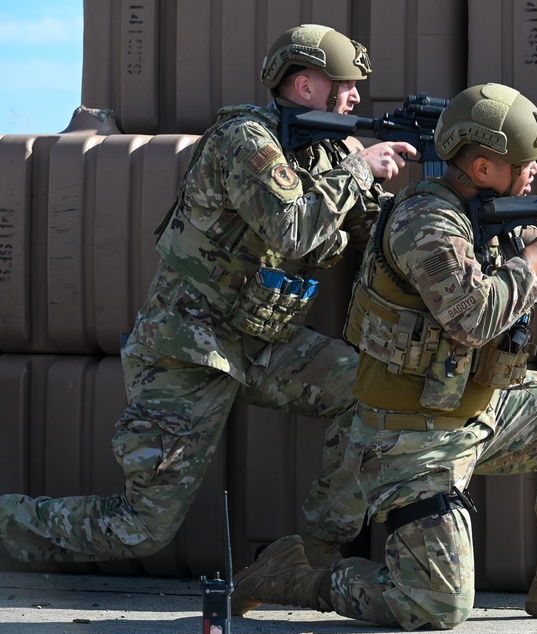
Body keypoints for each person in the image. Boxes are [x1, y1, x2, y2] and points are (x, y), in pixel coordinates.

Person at [228, 82, 537, 629]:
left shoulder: (487, 213)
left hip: (477, 411)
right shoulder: (427, 222)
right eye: (526, 161)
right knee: (435, 606)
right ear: (483, 167)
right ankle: (295, 576)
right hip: (410, 437)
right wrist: (535, 254)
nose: (536, 170)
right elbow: (472, 317)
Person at [0, 24, 415, 569]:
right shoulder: (245, 140)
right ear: (308, 87)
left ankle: (316, 553)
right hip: (188, 347)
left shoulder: (323, 153)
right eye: (347, 84)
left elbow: (374, 236)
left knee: (370, 394)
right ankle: (8, 524)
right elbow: (293, 229)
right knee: (141, 529)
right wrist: (358, 167)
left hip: (261, 343)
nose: (357, 96)